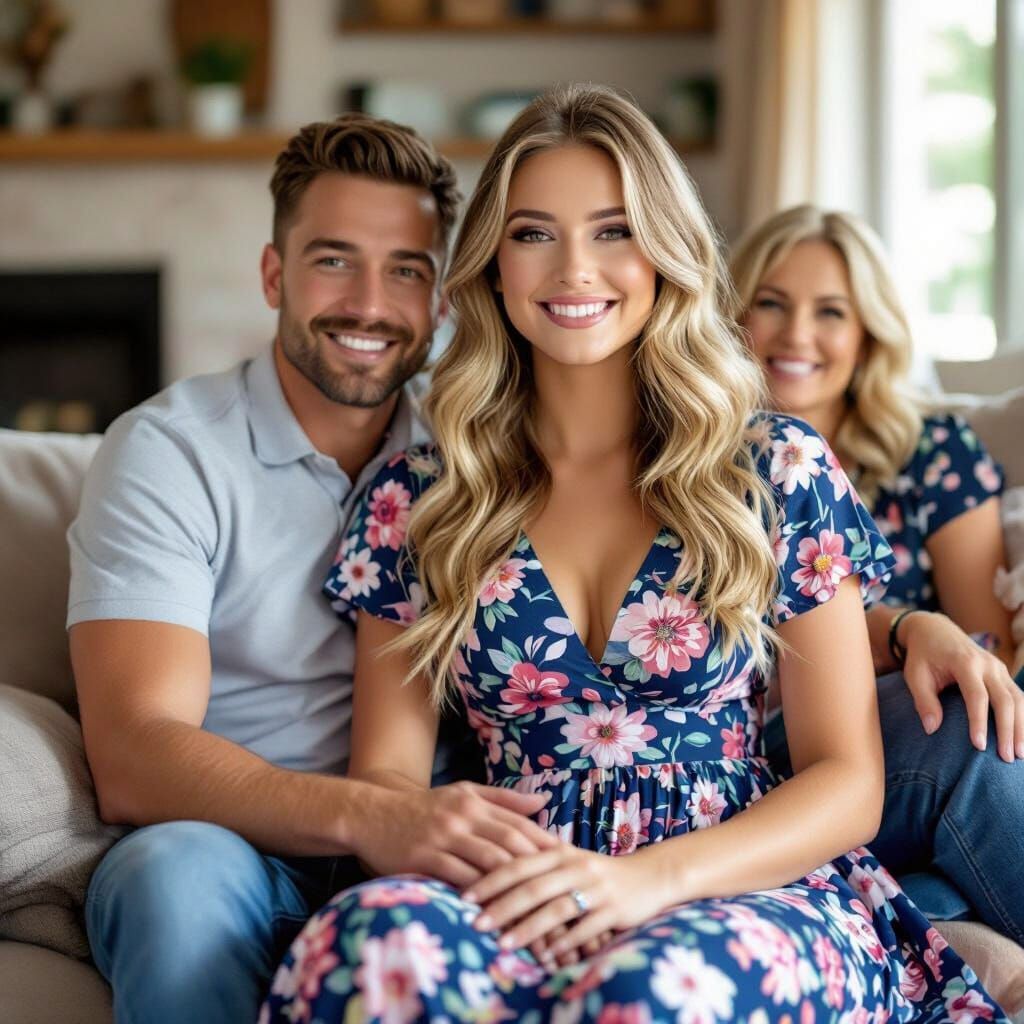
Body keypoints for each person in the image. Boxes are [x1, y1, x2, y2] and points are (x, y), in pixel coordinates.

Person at [263, 85, 1005, 1023]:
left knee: (651, 989)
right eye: (533, 233)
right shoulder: (418, 497)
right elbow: (388, 785)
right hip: (514, 882)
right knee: (363, 950)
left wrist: (643, 884)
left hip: (736, 880)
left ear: (665, 253)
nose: (575, 268)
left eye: (614, 230)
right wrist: (480, 865)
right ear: (492, 263)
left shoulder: (775, 469)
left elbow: (849, 781)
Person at [69, 114, 562, 1024]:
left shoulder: (477, 459)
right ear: (274, 275)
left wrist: (890, 626)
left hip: (428, 838)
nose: (370, 303)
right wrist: (372, 816)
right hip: (227, 846)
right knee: (171, 878)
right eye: (334, 260)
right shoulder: (169, 453)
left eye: (406, 270)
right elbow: (134, 751)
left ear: (442, 301)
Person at [730, 205, 1024, 953]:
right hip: (771, 746)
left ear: (867, 334)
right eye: (772, 302)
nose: (797, 334)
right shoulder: (700, 459)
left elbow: (988, 650)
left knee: (971, 713)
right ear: (733, 315)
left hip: (916, 739)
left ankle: (929, 899)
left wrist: (940, 649)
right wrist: (905, 632)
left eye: (831, 311)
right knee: (959, 728)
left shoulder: (931, 451)